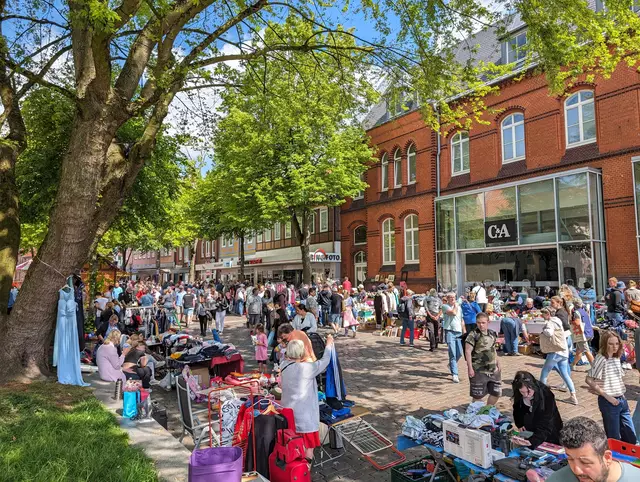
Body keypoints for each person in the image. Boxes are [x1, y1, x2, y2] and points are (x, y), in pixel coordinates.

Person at [280, 336, 334, 462]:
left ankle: (295, 473)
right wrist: (329, 345)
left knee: (293, 446)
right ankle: (304, 472)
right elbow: (325, 361)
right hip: (305, 417)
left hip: (288, 415)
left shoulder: (284, 365)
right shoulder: (306, 368)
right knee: (307, 448)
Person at [544, 416, 640, 482]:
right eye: (570, 459)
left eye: (585, 462)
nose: (577, 470)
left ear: (607, 457)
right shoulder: (558, 479)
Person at [586, 330, 637, 443]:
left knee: (631, 437)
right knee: (614, 438)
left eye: (616, 343)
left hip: (621, 399)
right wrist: (606, 395)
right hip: (609, 401)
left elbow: (617, 378)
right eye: (611, 344)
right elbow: (589, 379)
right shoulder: (601, 358)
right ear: (605, 344)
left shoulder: (616, 358)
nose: (614, 347)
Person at [510, 371, 563, 449]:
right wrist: (519, 423)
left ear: (533, 386)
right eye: (522, 392)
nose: (526, 395)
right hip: (531, 429)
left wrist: (533, 441)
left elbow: (546, 423)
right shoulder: (518, 390)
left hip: (550, 432)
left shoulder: (546, 395)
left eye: (528, 391)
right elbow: (517, 408)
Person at [539, 308, 578, 405]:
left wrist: (544, 330)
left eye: (543, 314)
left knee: (544, 372)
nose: (542, 316)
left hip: (555, 351)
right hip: (563, 351)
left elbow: (549, 333)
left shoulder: (550, 322)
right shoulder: (558, 320)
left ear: (547, 314)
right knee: (565, 374)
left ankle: (542, 395)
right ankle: (573, 396)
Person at [465, 312, 501, 405]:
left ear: (488, 322)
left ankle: (487, 410)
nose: (481, 325)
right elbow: (468, 351)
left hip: (493, 369)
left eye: (483, 322)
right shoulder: (473, 335)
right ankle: (476, 413)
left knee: (496, 393)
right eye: (478, 323)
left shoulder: (492, 333)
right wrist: (470, 368)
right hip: (478, 369)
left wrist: (498, 362)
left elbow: (493, 349)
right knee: (478, 396)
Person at [442, 292, 465, 383]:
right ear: (447, 299)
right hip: (450, 331)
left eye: (454, 297)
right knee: (452, 352)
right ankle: (455, 374)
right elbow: (453, 313)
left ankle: (451, 365)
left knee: (459, 353)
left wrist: (464, 331)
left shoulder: (459, 307)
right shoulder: (445, 306)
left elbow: (461, 319)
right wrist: (457, 304)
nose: (452, 299)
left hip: (458, 332)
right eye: (450, 297)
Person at [570, 300, 595, 370]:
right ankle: (572, 365)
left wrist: (571, 321)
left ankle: (594, 367)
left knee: (586, 351)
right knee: (579, 350)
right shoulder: (584, 311)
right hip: (588, 332)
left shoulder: (576, 312)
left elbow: (577, 323)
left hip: (581, 334)